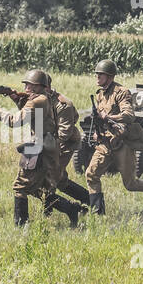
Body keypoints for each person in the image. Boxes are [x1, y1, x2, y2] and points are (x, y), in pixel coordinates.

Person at [0, 69, 84, 227]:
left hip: (39, 147)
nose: (25, 88)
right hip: (47, 146)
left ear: (38, 87)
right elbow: (29, 112)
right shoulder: (43, 99)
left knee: (20, 186)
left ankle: (21, 226)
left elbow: (14, 121)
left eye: (28, 85)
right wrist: (15, 98)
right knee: (39, 189)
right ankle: (71, 209)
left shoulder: (37, 101)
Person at [83, 59, 143, 216]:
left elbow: (129, 115)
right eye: (97, 74)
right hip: (105, 143)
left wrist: (108, 117)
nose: (97, 77)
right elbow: (102, 119)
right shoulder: (100, 95)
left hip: (121, 143)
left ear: (110, 76)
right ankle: (98, 215)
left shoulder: (121, 92)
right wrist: (97, 131)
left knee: (131, 184)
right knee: (91, 175)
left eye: (101, 75)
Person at [45, 74, 90, 209]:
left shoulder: (63, 104)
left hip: (65, 144)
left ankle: (50, 212)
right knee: (60, 179)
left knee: (50, 176)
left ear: (45, 87)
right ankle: (89, 200)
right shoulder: (39, 100)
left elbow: (64, 134)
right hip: (50, 142)